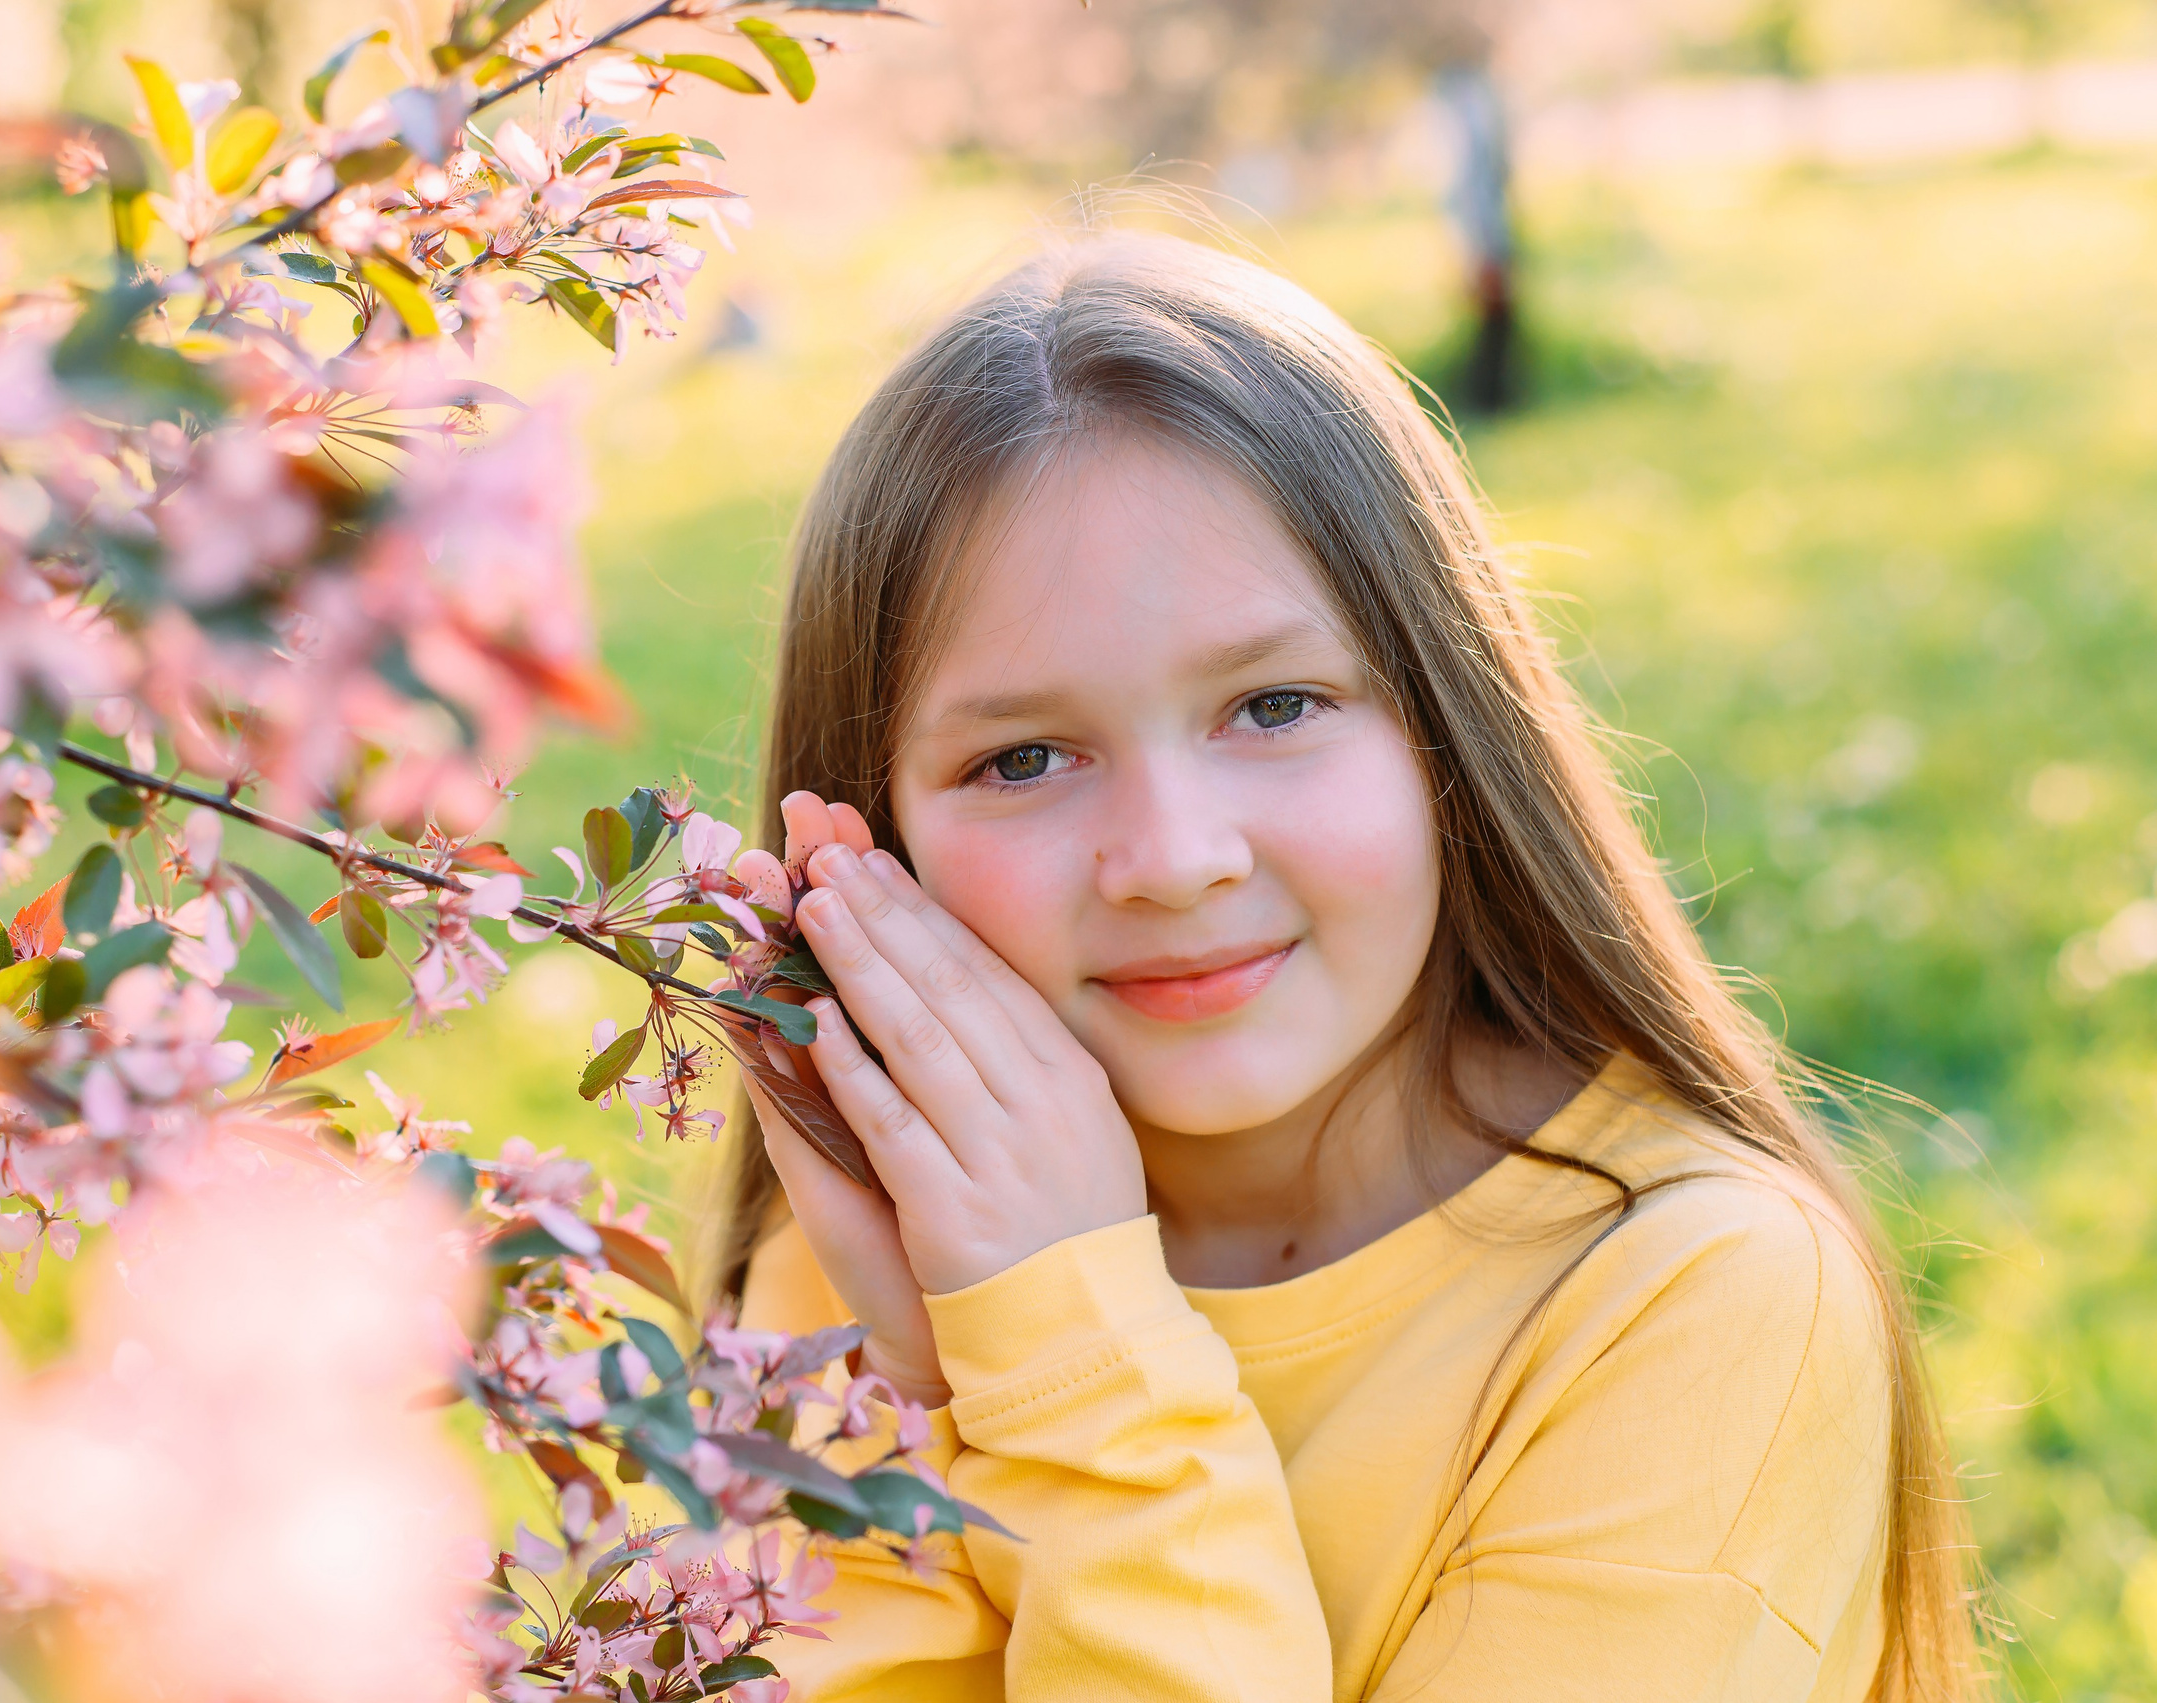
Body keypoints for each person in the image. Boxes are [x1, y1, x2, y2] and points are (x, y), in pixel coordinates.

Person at [704, 232, 1976, 1703]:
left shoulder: (1692, 1297)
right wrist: (927, 1377)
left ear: (1442, 717)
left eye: (1275, 704)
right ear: (873, 841)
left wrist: (1061, 1365)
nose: (1175, 858)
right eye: (1026, 758)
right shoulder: (883, 1230)